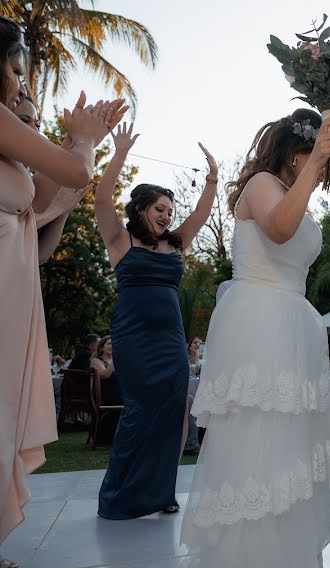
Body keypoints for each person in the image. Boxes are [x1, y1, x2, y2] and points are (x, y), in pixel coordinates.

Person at [132, 109, 330, 568]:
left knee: (289, 442)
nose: (312, 168)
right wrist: (318, 161)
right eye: (308, 156)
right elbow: (277, 230)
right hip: (262, 320)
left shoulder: (297, 190)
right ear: (296, 154)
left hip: (294, 319)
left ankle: (282, 562)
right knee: (260, 441)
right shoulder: (260, 184)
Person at [0, 16, 125, 568]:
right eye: (16, 69)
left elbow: (47, 196)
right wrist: (82, 141)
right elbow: (73, 166)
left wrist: (84, 141)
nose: (21, 83)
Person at [93, 122, 217, 519]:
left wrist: (212, 178)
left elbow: (201, 213)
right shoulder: (119, 240)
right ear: (140, 209)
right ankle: (119, 497)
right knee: (138, 412)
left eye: (169, 210)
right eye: (159, 209)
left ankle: (163, 492)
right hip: (133, 340)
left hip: (171, 342)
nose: (166, 216)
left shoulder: (174, 244)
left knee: (173, 413)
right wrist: (120, 154)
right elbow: (99, 197)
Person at [15, 95, 90, 264]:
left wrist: (63, 212)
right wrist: (82, 141)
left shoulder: (24, 175)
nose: (34, 130)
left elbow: (39, 256)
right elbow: (10, 233)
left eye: (37, 124)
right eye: (24, 120)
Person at [183, 337, 203, 455]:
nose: (198, 345)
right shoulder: (183, 360)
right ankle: (192, 443)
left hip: (200, 393)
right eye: (195, 342)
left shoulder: (204, 362)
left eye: (200, 343)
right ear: (189, 346)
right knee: (190, 400)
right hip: (187, 393)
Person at [90, 336, 122, 407]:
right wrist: (115, 358)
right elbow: (104, 375)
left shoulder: (119, 361)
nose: (113, 346)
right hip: (107, 397)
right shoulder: (96, 360)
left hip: (121, 396)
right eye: (110, 343)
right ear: (101, 348)